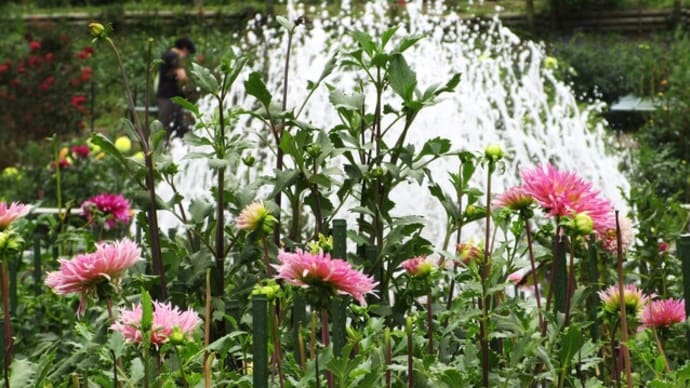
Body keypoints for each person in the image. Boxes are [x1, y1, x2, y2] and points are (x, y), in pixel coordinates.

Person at [156, 37, 195, 138]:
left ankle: (170, 146)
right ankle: (162, 147)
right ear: (185, 49)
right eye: (188, 53)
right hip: (167, 96)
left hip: (170, 96)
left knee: (175, 124)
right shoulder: (172, 56)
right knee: (166, 124)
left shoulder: (168, 55)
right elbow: (183, 77)